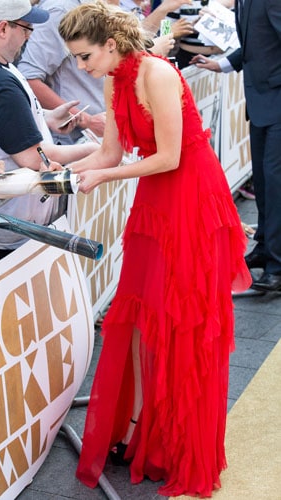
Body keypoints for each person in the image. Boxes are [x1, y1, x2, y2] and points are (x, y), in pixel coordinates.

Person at [57, 2, 251, 496]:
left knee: (182, 321)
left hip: (190, 199)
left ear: (111, 44)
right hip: (155, 201)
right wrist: (59, 164)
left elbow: (168, 156)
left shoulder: (157, 74)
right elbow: (110, 152)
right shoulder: (114, 78)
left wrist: (102, 175)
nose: (80, 67)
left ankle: (171, 438)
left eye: (84, 57)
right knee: (142, 315)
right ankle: (142, 426)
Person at [0, 0, 99, 265]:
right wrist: (97, 149)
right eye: (26, 28)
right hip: (7, 225)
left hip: (0, 214)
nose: (29, 36)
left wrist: (47, 119)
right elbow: (35, 158)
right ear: (3, 28)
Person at [192, 0, 281, 292]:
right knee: (265, 181)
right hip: (260, 104)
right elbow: (255, 44)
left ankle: (277, 265)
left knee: (275, 182)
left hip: (276, 101)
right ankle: (266, 248)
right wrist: (220, 64)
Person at [18, 0, 107, 145]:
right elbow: (28, 79)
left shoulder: (96, 6)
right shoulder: (60, 9)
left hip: (100, 138)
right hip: (73, 142)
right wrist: (86, 120)